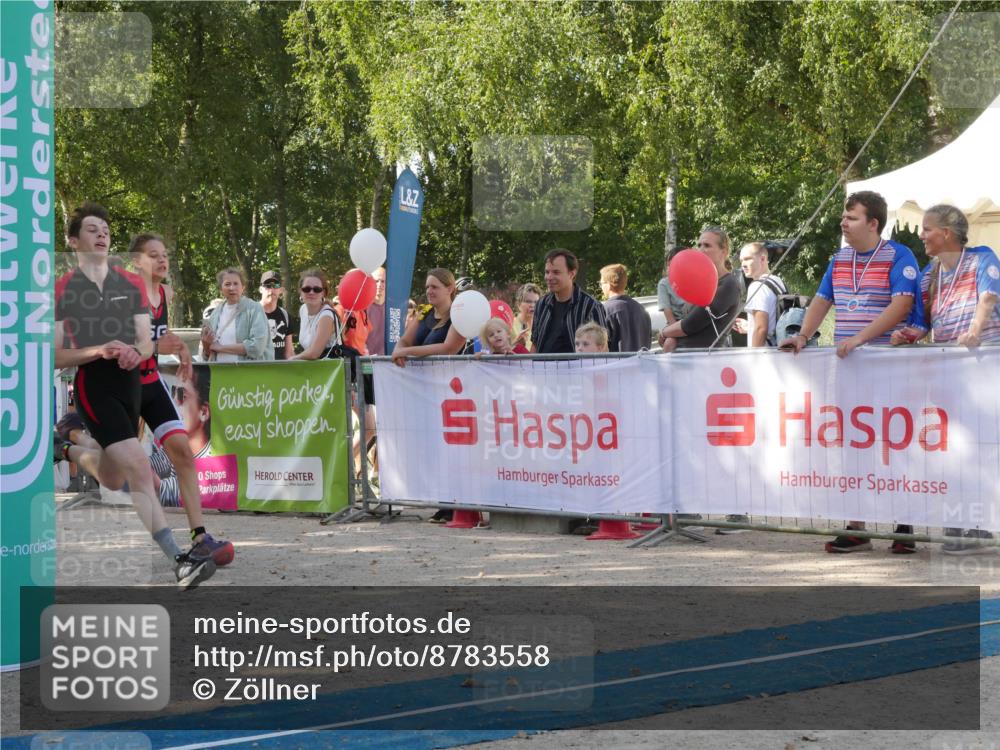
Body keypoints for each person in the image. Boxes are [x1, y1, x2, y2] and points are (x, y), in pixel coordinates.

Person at [53, 203, 215, 588]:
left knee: (111, 477)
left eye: (106, 228)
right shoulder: (63, 289)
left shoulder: (129, 284)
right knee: (141, 469)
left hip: (133, 386)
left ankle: (66, 449)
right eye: (92, 229)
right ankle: (181, 559)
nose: (102, 234)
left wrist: (134, 351)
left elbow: (146, 342)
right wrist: (97, 350)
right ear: (73, 241)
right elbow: (54, 355)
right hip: (96, 388)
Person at [779, 190, 920, 554]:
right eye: (844, 216)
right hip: (849, 369)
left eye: (852, 217)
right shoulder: (839, 259)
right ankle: (856, 526)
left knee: (895, 443)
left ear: (873, 223)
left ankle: (905, 524)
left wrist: (861, 338)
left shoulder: (898, 254)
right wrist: (802, 336)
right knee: (855, 445)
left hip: (887, 368)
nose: (844, 222)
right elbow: (823, 300)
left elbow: (902, 304)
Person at [890, 204, 1000, 555]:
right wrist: (906, 334)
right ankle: (968, 526)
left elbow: (988, 296)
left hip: (987, 369)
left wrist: (974, 330)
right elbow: (923, 323)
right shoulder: (928, 274)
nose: (921, 235)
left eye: (927, 229)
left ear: (947, 234)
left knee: (988, 448)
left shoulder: (982, 258)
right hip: (952, 376)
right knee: (960, 450)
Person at [657, 227, 742, 351]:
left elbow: (691, 324)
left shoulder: (729, 284)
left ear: (724, 251)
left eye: (707, 245)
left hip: (704, 362)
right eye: (699, 245)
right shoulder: (699, 283)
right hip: (683, 359)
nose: (701, 250)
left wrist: (665, 333)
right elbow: (683, 319)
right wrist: (672, 337)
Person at [532, 249, 607, 354]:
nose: (549, 277)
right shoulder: (541, 304)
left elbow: (602, 347)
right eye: (547, 272)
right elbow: (535, 343)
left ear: (571, 274)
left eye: (556, 272)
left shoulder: (591, 306)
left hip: (578, 369)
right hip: (543, 369)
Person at [390, 268, 468, 367]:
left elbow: (448, 349)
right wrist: (398, 351)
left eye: (434, 287)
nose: (429, 291)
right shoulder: (424, 312)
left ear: (450, 289)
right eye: (427, 287)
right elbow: (405, 340)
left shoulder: (459, 315)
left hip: (446, 378)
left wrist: (404, 352)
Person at [201, 268, 273, 362]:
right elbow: (207, 355)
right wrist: (206, 346)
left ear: (243, 287)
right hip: (220, 373)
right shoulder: (215, 314)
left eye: (236, 284)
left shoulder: (254, 309)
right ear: (220, 289)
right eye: (227, 284)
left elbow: (257, 347)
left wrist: (220, 348)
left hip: (246, 373)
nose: (232, 288)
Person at [739, 242, 786, 347]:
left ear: (763, 259)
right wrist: (749, 326)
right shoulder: (777, 281)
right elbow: (773, 321)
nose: (743, 264)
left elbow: (761, 329)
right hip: (778, 351)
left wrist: (755, 358)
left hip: (765, 356)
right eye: (741, 261)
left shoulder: (756, 286)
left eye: (747, 259)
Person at [291, 269, 343, 360]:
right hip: (313, 370)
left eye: (317, 289)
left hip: (331, 370)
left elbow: (314, 353)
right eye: (306, 289)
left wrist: (293, 359)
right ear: (300, 291)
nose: (311, 292)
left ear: (323, 292)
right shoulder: (303, 310)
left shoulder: (326, 316)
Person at [600, 263, 652, 351]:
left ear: (608, 285)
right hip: (641, 362)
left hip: (617, 363)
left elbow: (601, 345)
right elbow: (648, 341)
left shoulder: (605, 310)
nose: (601, 287)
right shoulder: (641, 309)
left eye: (601, 283)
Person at [259, 271, 294, 360]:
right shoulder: (251, 313)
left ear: (281, 290)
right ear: (260, 289)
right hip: (256, 370)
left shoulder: (285, 316)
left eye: (276, 286)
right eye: (267, 286)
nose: (272, 290)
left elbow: (288, 353)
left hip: (279, 371)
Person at [657, 251, 693, 326]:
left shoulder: (695, 279)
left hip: (694, 322)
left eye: (674, 265)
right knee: (670, 338)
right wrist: (675, 331)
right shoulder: (664, 283)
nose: (670, 268)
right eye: (668, 265)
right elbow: (668, 314)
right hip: (676, 324)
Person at [512, 282, 542, 350]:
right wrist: (515, 343)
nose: (532, 305)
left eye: (536, 302)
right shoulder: (510, 324)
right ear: (518, 304)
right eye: (528, 301)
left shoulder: (542, 326)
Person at [366, 267, 387, 356]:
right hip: (366, 361)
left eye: (383, 281)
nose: (379, 285)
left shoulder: (393, 308)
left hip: (388, 361)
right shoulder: (362, 309)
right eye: (376, 281)